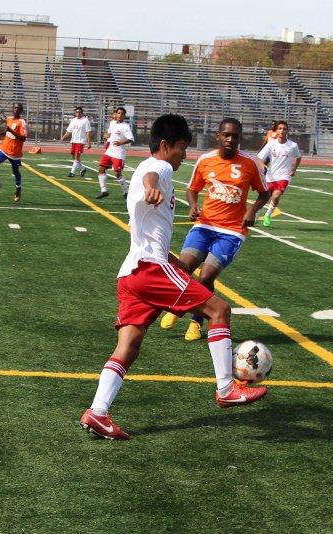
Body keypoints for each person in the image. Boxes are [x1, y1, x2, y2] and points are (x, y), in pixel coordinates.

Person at [79, 114, 268, 441]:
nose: (185, 155)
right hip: (148, 269)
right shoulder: (159, 168)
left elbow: (148, 232)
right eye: (182, 148)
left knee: (129, 345)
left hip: (131, 272)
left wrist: (174, 260)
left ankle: (98, 412)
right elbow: (154, 172)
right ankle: (226, 389)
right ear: (166, 145)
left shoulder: (147, 172)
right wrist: (153, 187)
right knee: (219, 310)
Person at [160, 118, 269, 341]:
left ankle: (195, 321)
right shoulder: (205, 160)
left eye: (235, 136)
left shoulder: (250, 163)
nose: (231, 139)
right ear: (218, 136)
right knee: (184, 268)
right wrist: (193, 206)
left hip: (232, 231)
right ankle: (179, 308)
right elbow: (192, 189)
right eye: (226, 135)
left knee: (207, 274)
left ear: (240, 138)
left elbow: (264, 193)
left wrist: (252, 210)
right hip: (205, 225)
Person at [257, 120, 302, 227]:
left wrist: (294, 169)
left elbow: (298, 157)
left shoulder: (293, 145)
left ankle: (268, 214)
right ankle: (256, 213)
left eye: (284, 129)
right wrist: (263, 166)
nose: (282, 131)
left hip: (284, 176)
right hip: (270, 175)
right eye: (280, 128)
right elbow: (259, 158)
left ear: (287, 131)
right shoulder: (271, 144)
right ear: (276, 131)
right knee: (265, 197)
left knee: (276, 196)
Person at [0, 103, 28, 203]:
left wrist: (11, 130)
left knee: (15, 171)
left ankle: (18, 190)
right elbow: (8, 131)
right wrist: (2, 134)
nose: (16, 109)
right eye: (14, 107)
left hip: (15, 152)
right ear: (12, 109)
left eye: (18, 108)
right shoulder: (9, 119)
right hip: (4, 147)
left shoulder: (22, 122)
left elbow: (23, 138)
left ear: (21, 111)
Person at [95, 107, 134, 199]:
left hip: (119, 153)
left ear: (124, 116)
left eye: (122, 114)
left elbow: (131, 139)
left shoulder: (125, 126)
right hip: (110, 151)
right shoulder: (112, 123)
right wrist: (106, 136)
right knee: (101, 168)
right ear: (116, 114)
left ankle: (126, 192)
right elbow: (109, 133)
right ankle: (104, 190)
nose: (119, 115)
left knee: (117, 174)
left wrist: (121, 142)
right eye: (118, 113)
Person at [60, 106, 92, 177]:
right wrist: (63, 137)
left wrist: (89, 142)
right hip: (73, 141)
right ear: (75, 113)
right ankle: (83, 168)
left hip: (80, 141)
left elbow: (88, 132)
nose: (78, 113)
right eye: (77, 112)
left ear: (82, 113)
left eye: (80, 112)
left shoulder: (85, 120)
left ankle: (72, 172)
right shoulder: (73, 120)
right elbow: (69, 131)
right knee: (74, 157)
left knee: (77, 156)